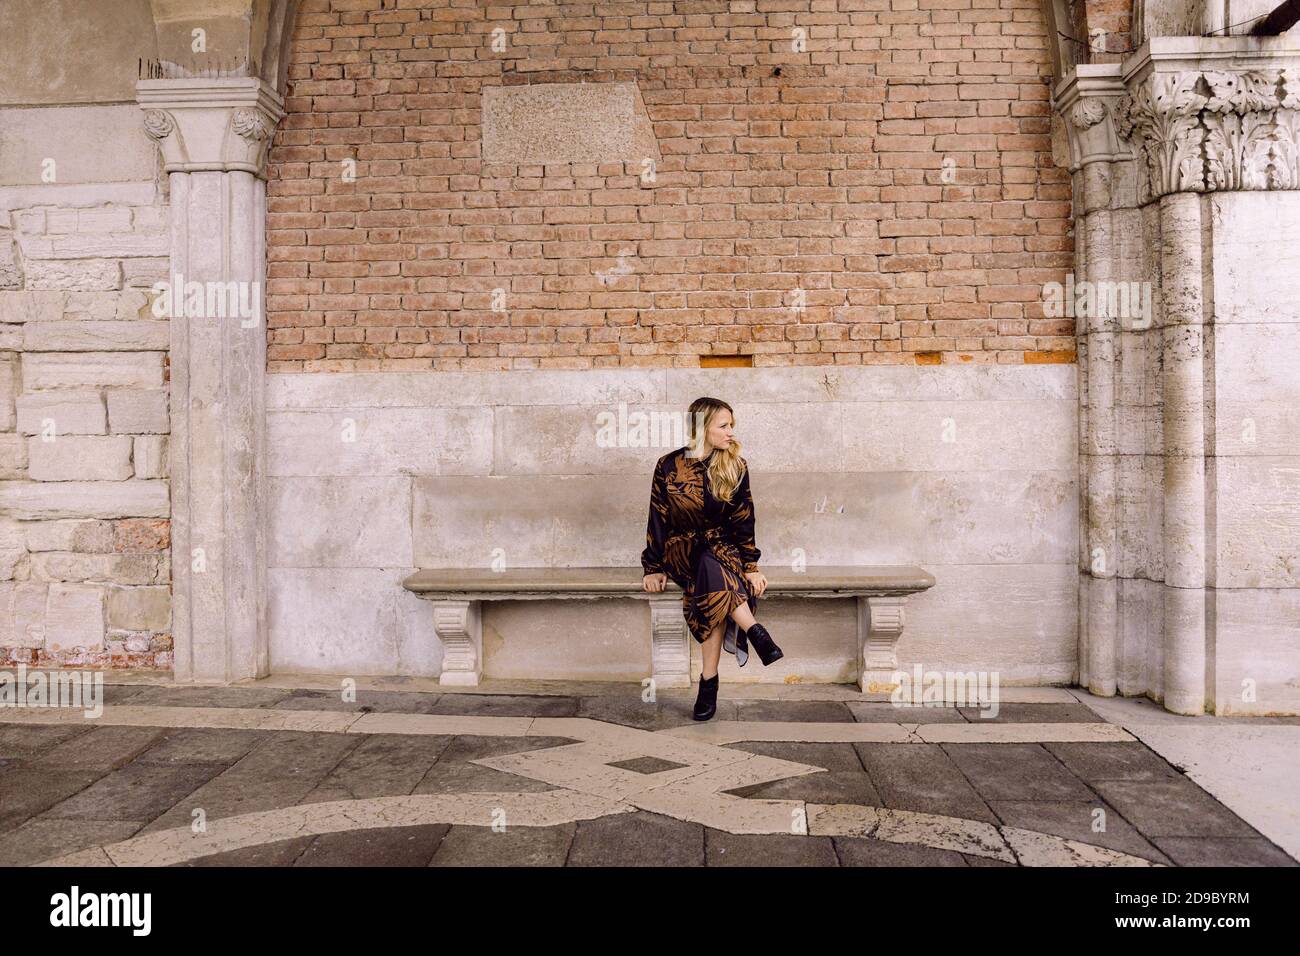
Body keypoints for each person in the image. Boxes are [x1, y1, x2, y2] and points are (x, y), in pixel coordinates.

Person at [640, 396, 783, 721]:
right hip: (681, 548)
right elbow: (657, 517)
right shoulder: (668, 466)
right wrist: (653, 567)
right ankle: (755, 631)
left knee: (713, 578)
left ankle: (709, 681)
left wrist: (751, 566)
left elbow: (744, 519)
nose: (731, 432)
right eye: (724, 425)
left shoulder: (735, 465)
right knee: (709, 567)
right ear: (702, 428)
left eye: (732, 425)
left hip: (723, 549)